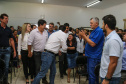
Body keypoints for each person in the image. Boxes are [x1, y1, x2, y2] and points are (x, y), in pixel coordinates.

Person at [79, 17, 104, 84]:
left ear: (96, 23)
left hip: (94, 57)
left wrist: (84, 36)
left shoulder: (99, 31)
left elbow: (93, 44)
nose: (90, 24)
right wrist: (85, 37)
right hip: (90, 56)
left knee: (92, 75)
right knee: (91, 74)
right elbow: (89, 42)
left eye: (91, 23)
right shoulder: (93, 31)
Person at [100, 14, 123, 84]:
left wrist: (107, 79)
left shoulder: (113, 40)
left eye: (103, 24)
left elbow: (113, 63)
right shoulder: (110, 38)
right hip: (108, 75)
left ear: (106, 25)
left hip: (111, 78)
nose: (102, 26)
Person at [28, 19, 48, 84]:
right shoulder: (33, 32)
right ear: (40, 25)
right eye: (44, 25)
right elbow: (29, 43)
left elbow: (47, 42)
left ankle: (44, 80)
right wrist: (29, 52)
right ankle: (37, 81)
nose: (45, 27)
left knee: (44, 67)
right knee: (37, 68)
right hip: (37, 53)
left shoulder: (45, 32)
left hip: (44, 53)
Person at [0, 13, 16, 84]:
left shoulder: (9, 29)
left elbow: (12, 40)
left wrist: (14, 51)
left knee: (6, 66)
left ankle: (5, 81)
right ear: (1, 19)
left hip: (7, 50)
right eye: (6, 18)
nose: (7, 20)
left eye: (7, 18)